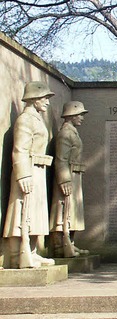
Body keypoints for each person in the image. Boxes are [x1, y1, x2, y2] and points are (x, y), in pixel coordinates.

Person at [3, 81, 56, 268]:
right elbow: (19, 150)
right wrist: (23, 175)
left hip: (38, 170)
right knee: (21, 212)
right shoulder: (25, 119)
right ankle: (18, 254)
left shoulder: (36, 119)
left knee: (35, 213)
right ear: (34, 98)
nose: (47, 102)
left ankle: (32, 252)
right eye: (44, 98)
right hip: (29, 170)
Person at [49, 101, 90, 258]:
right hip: (67, 176)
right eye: (79, 114)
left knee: (72, 212)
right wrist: (64, 180)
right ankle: (60, 246)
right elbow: (61, 159)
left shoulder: (72, 132)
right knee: (62, 211)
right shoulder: (65, 133)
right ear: (71, 115)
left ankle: (70, 244)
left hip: (74, 175)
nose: (82, 118)